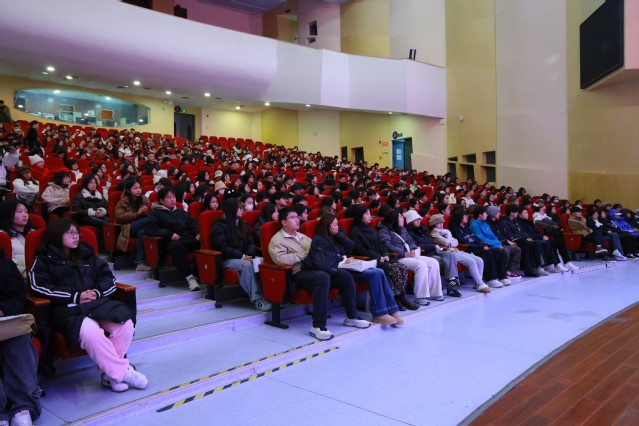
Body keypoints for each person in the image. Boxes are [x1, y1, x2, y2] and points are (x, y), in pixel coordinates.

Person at [29, 218, 148, 393]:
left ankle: (110, 375)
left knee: (125, 324)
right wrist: (75, 297)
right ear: (56, 235)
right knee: (91, 333)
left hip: (96, 304)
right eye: (70, 233)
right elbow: (38, 286)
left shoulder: (87, 254)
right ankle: (122, 373)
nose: (75, 236)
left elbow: (108, 279)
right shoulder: (44, 259)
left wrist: (97, 292)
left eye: (77, 232)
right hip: (67, 308)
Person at [268, 207, 370, 340]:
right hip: (298, 273)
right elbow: (280, 259)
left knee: (344, 276)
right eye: (293, 217)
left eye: (297, 217)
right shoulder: (277, 240)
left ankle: (351, 316)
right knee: (323, 277)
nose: (297, 219)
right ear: (283, 222)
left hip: (315, 268)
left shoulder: (303, 237)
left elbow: (318, 252)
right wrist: (304, 255)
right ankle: (318, 326)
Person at [317, 213, 402, 325]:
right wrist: (342, 260)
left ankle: (392, 309)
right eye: (335, 225)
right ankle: (379, 313)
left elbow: (350, 246)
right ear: (327, 226)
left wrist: (338, 235)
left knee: (379, 271)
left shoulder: (337, 237)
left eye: (338, 224)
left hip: (349, 265)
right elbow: (327, 260)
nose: (337, 227)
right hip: (340, 270)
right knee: (374, 274)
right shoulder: (321, 240)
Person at [349, 205, 419, 310]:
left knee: (402, 267)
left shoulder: (371, 230)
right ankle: (396, 298)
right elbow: (360, 250)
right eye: (367, 214)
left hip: (380, 258)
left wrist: (385, 254)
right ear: (360, 216)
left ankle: (400, 297)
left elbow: (382, 245)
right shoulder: (355, 231)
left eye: (370, 213)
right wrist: (378, 257)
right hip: (369, 261)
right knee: (394, 268)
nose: (370, 216)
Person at [0, 254, 41, 425]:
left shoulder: (5, 265)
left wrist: (3, 309)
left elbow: (19, 297)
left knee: (21, 342)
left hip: (4, 323)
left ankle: (23, 408)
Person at [210, 198, 271, 311]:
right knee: (246, 266)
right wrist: (242, 256)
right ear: (231, 210)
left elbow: (251, 242)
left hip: (243, 257)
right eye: (239, 208)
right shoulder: (219, 227)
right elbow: (222, 247)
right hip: (227, 260)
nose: (242, 210)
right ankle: (257, 299)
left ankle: (269, 296)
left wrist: (250, 254)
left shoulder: (242, 224)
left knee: (262, 262)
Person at [378, 209, 444, 305]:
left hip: (409, 255)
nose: (403, 219)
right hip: (398, 257)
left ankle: (435, 293)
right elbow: (387, 246)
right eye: (401, 217)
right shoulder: (384, 231)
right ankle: (420, 296)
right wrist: (404, 253)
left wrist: (414, 249)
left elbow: (410, 241)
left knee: (433, 262)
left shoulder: (403, 229)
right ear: (394, 219)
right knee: (421, 265)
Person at [144, 187, 201, 291]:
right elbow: (150, 228)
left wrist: (197, 233)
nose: (172, 200)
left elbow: (192, 223)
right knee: (176, 247)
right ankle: (190, 278)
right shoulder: (156, 213)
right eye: (169, 198)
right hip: (170, 241)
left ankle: (200, 274)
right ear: (162, 200)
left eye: (173, 197)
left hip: (187, 238)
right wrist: (169, 234)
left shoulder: (180, 211)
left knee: (203, 242)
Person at [448, 209, 512, 289]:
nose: (467, 217)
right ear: (459, 217)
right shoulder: (455, 229)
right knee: (488, 253)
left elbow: (475, 238)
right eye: (465, 216)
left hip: (476, 246)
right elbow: (465, 242)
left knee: (499, 251)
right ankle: (491, 279)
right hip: (468, 249)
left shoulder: (466, 227)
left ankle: (502, 276)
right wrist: (481, 247)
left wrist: (482, 245)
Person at [114, 180, 151, 271]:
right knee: (147, 221)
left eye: (139, 188)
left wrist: (147, 211)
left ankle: (140, 263)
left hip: (141, 227)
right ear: (128, 190)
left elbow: (151, 212)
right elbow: (119, 217)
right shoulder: (123, 202)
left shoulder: (145, 200)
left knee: (142, 233)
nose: (138, 190)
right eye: (135, 188)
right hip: (128, 227)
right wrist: (137, 214)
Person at [481, 206, 524, 277]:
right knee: (505, 250)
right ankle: (503, 271)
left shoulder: (497, 223)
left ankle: (511, 271)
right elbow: (493, 236)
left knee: (517, 249)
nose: (500, 214)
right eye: (498, 212)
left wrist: (507, 240)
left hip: (501, 242)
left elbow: (502, 234)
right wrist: (506, 241)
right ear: (493, 213)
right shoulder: (488, 224)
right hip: (495, 243)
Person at [0, 200, 37, 277]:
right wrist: (23, 273)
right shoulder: (3, 236)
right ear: (8, 214)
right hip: (18, 276)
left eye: (26, 211)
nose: (25, 215)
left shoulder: (34, 232)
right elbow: (8, 263)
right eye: (19, 212)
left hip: (38, 272)